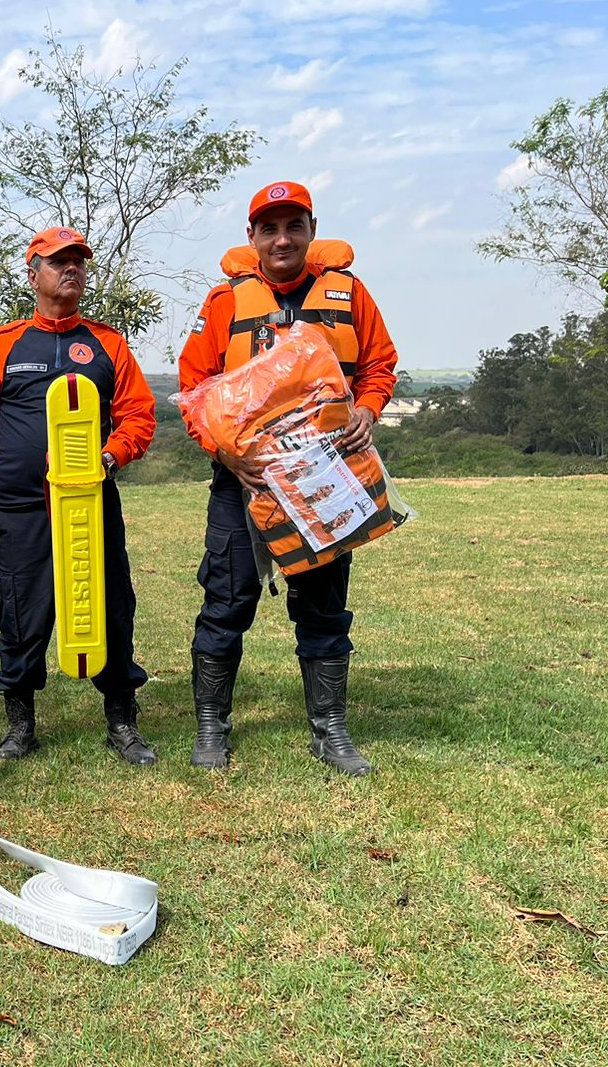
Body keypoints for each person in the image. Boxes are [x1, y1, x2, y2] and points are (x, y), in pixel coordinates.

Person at [177, 180, 398, 777]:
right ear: (251, 237)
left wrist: (366, 411)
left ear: (311, 230)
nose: (282, 239)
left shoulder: (350, 295)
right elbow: (193, 394)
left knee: (324, 608)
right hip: (243, 482)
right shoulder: (225, 303)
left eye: (293, 226)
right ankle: (210, 728)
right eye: (268, 228)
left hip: (323, 477)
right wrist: (226, 456)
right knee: (227, 601)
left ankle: (330, 732)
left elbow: (379, 365)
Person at [0, 226, 157, 764]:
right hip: (20, 506)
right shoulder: (4, 344)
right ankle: (20, 724)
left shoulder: (107, 343)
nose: (70, 269)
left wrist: (109, 457)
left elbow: (139, 415)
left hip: (90, 500)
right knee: (21, 610)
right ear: (33, 275)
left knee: (111, 603)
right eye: (57, 261)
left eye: (78, 261)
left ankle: (122, 722)